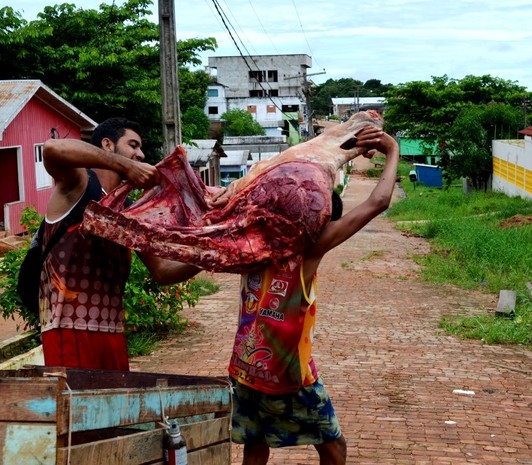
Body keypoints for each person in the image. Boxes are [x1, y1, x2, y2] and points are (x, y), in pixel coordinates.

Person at [227, 125, 400, 465]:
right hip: (290, 373)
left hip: (245, 368)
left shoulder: (251, 244)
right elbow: (378, 201)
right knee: (334, 447)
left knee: (256, 443)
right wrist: (391, 149)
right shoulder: (306, 251)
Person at [40, 117, 200, 370]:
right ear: (108, 144)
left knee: (111, 407)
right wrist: (124, 165)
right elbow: (52, 148)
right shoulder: (80, 184)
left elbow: (162, 271)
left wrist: (213, 255)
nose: (141, 154)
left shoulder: (128, 213)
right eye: (133, 146)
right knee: (80, 407)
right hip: (69, 327)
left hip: (112, 330)